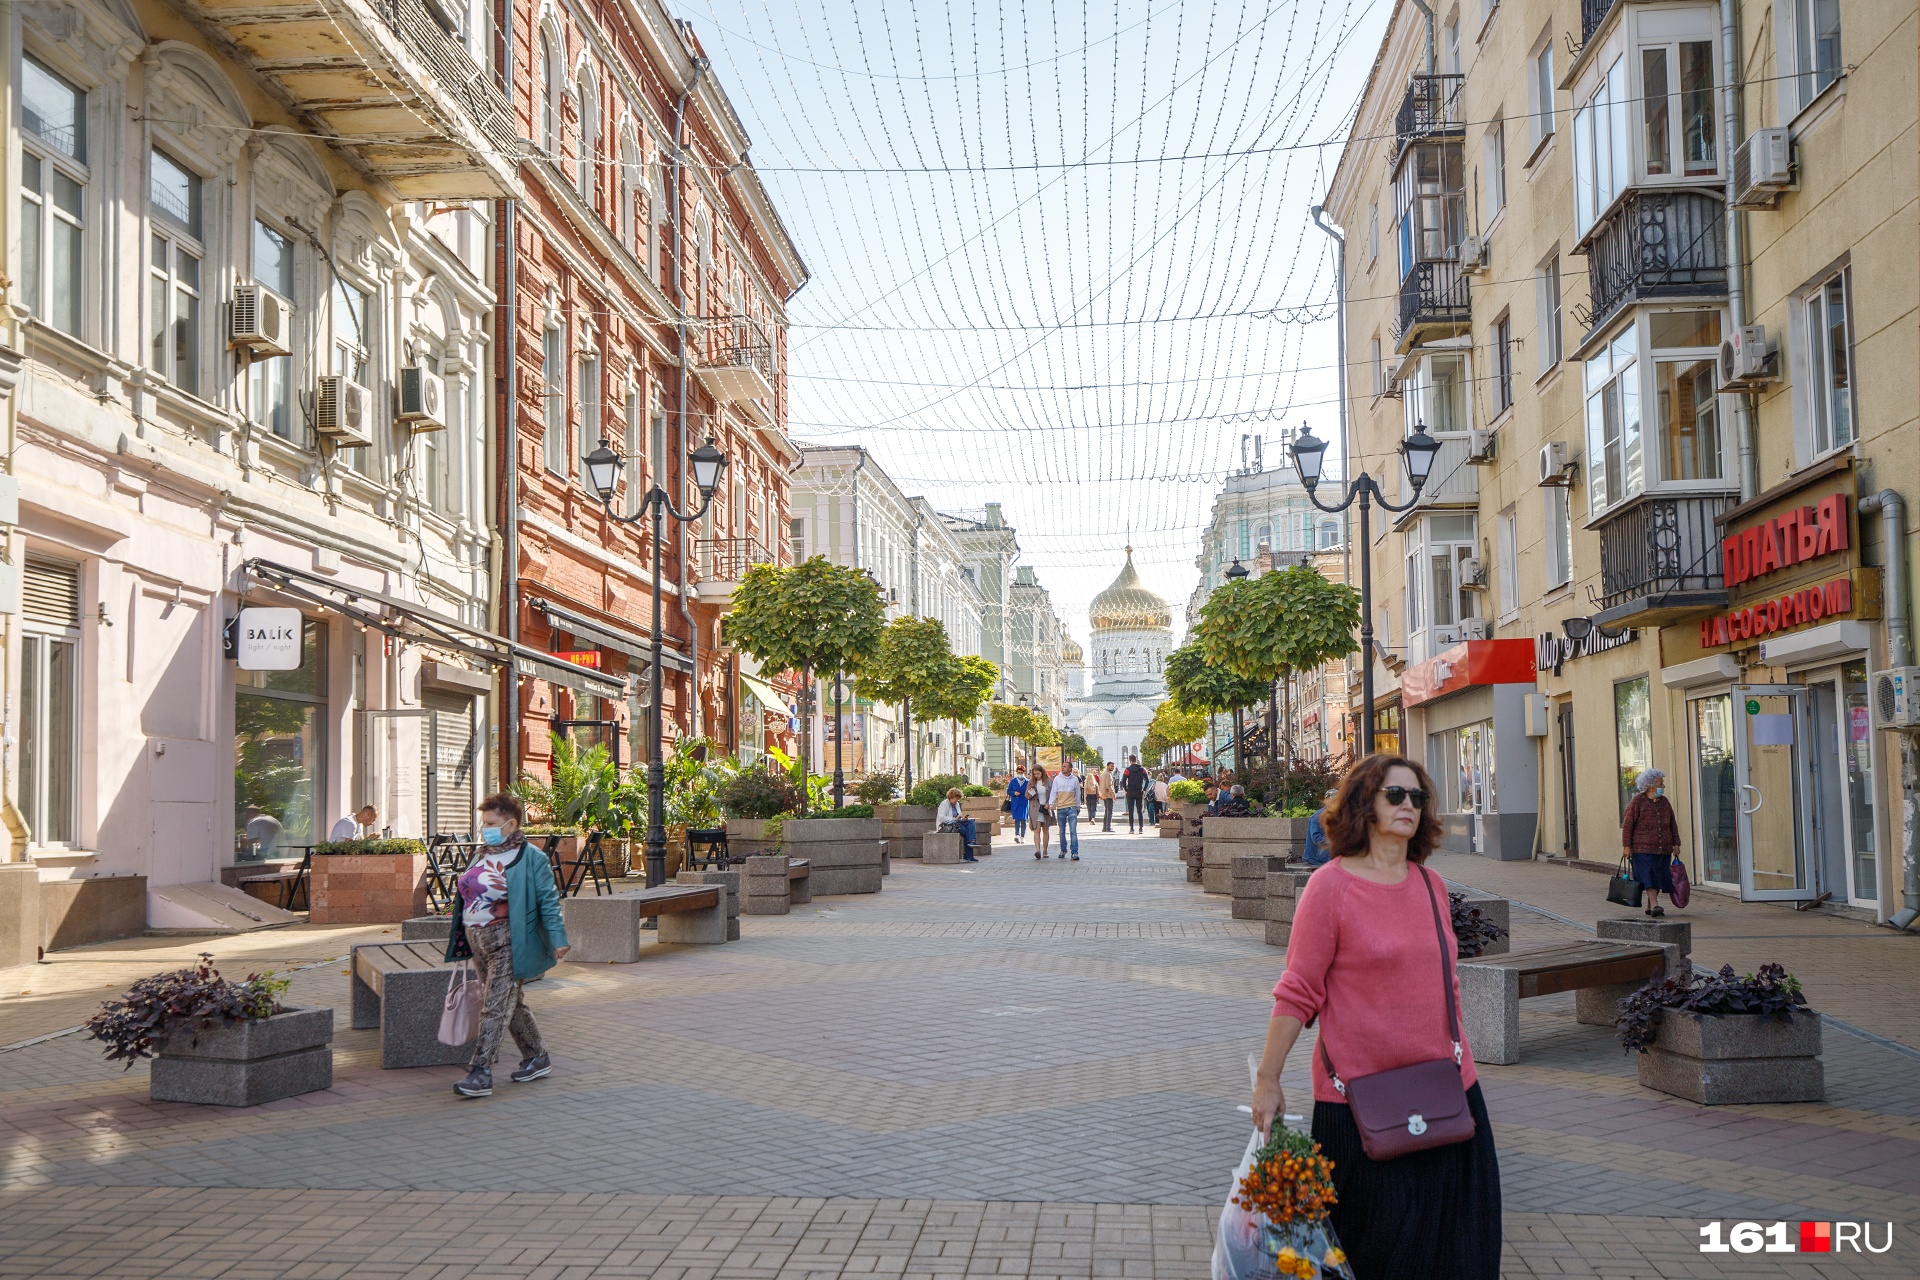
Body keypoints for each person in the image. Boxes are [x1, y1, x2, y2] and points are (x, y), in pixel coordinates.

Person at [1251, 754, 1501, 1280]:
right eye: (1396, 795)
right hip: (1360, 1103)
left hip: (1445, 1093)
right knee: (1378, 1256)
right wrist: (1268, 1078)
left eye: (1418, 797)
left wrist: (1463, 1064)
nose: (1408, 805)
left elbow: (1446, 985)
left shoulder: (1430, 886)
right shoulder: (1331, 888)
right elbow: (1298, 991)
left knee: (1461, 1254)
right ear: (1366, 804)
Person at [445, 793, 571, 1098]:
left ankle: (481, 1072)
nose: (484, 828)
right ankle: (536, 1056)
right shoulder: (483, 853)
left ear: (511, 824)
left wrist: (558, 939)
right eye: (483, 822)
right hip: (478, 941)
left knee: (494, 1006)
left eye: (491, 823)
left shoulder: (532, 858)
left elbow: (548, 901)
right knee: (507, 1002)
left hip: (509, 941)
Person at [1622, 768, 1681, 917]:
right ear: (1650, 785)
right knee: (1648, 876)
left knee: (1659, 876)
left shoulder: (1665, 802)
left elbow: (1672, 824)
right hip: (1642, 848)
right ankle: (1655, 904)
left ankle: (1650, 906)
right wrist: (1626, 846)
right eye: (1661, 783)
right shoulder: (1637, 802)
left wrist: (1676, 844)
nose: (1664, 786)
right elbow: (1628, 824)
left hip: (1663, 848)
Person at [1048, 763, 1085, 860]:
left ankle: (1074, 852)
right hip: (1061, 807)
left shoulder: (1074, 779)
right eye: (1062, 766)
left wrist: (1078, 806)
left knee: (1073, 831)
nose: (1063, 768)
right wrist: (1051, 803)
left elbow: (1077, 793)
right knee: (1062, 831)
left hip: (1071, 807)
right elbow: (1053, 792)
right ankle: (1063, 849)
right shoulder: (1057, 779)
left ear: (1070, 768)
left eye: (1065, 766)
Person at [935, 788, 980, 861]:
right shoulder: (944, 804)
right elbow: (942, 817)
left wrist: (963, 819)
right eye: (955, 799)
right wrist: (955, 819)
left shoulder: (957, 804)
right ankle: (969, 854)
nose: (956, 801)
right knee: (967, 832)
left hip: (956, 823)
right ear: (951, 797)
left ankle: (972, 841)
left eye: (958, 799)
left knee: (971, 822)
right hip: (946, 825)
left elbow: (958, 817)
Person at [1303, 788, 1338, 867]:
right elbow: (1316, 838)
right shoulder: (1317, 816)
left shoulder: (1339, 815)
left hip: (1330, 858)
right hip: (1317, 859)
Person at [1122, 756, 1150, 833]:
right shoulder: (1142, 769)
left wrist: (1126, 789)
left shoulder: (1127, 770)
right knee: (1139, 810)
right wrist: (1144, 789)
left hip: (1130, 792)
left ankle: (1131, 828)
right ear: (1136, 760)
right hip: (1139, 791)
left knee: (1131, 811)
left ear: (1130, 761)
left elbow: (1123, 780)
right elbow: (1147, 780)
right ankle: (1141, 828)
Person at [1031, 766, 1054, 858]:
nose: (1036, 776)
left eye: (1038, 774)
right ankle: (1037, 850)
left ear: (1042, 772)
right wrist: (1031, 792)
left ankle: (1045, 850)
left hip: (1045, 808)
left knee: (1045, 830)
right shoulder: (1032, 782)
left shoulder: (1049, 782)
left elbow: (1053, 794)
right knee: (1036, 830)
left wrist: (1049, 803)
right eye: (1034, 774)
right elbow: (1027, 796)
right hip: (1035, 808)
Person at [1006, 765, 1032, 841]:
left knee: (1023, 820)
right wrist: (1014, 793)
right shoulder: (1013, 781)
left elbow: (1031, 791)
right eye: (1018, 772)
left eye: (1021, 772)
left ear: (1024, 772)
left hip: (1024, 802)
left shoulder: (1027, 782)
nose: (1020, 773)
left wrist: (1028, 795)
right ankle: (1017, 835)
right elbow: (1009, 791)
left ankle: (1023, 837)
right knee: (1017, 819)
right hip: (1015, 802)